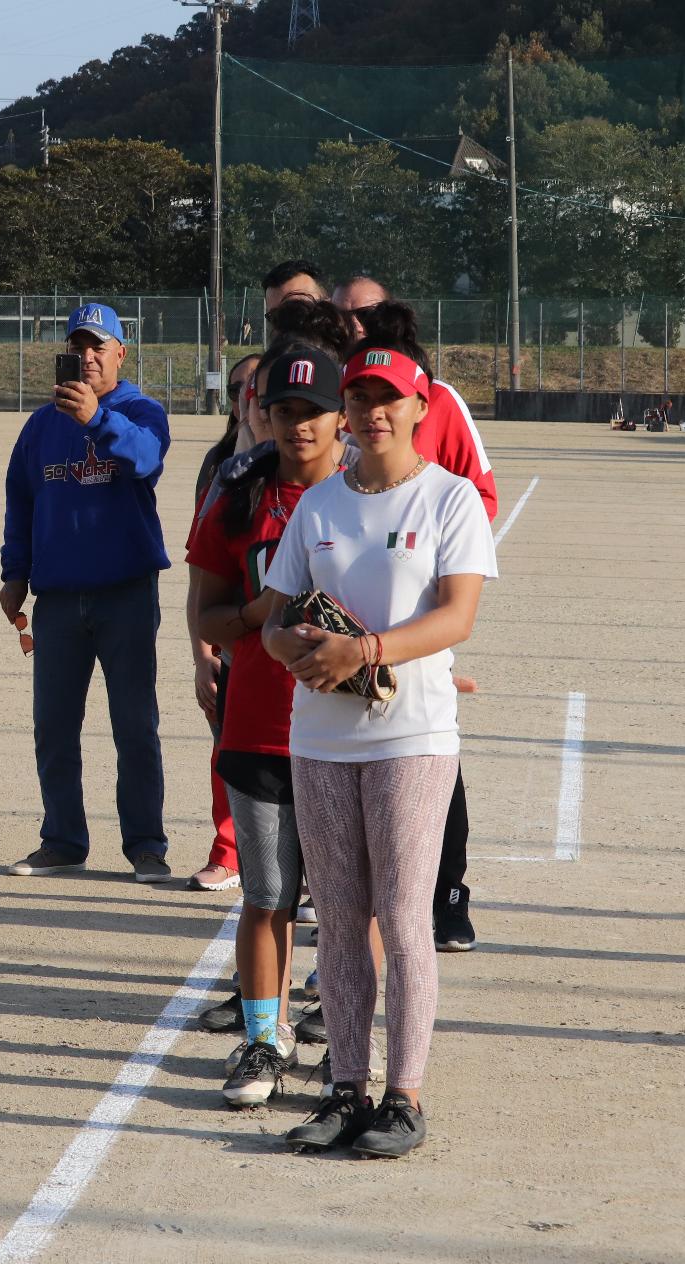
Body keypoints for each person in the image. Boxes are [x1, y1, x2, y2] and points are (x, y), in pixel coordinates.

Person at [262, 334, 499, 1158]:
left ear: (420, 408)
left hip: (413, 736)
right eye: (360, 399)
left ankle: (404, 1096)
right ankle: (344, 1088)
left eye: (389, 398)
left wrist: (360, 653)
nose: (373, 412)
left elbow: (456, 617)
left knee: (402, 916)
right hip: (320, 737)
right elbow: (273, 617)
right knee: (336, 916)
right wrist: (298, 649)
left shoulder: (448, 500)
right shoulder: (319, 504)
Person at [189, 341, 348, 1106]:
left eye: (312, 411)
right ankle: (261, 1040)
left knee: (357, 900)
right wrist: (258, 615)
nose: (297, 426)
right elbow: (206, 612)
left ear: (340, 416)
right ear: (261, 413)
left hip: (351, 732)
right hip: (258, 727)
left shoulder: (369, 492)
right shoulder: (240, 494)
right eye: (282, 410)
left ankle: (351, 1042)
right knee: (268, 893)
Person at [335, 278, 497, 951]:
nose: (353, 323)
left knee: (431, 749)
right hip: (344, 604)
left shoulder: (441, 401)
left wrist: (440, 566)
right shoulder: (333, 398)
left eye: (365, 313)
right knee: (349, 747)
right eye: (344, 314)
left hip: (419, 607)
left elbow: (480, 494)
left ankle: (449, 896)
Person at [1, 302, 172, 883]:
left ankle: (146, 845)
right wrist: (13, 572)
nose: (89, 356)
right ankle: (63, 839)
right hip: (57, 600)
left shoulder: (141, 410)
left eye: (99, 346)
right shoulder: (41, 424)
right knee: (53, 726)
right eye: (79, 346)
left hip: (125, 593)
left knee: (134, 726)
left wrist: (99, 418)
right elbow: (20, 500)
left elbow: (146, 460)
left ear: (122, 352)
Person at [184, 353, 268, 894]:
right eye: (238, 388)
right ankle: (228, 849)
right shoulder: (219, 466)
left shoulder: (308, 464)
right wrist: (201, 653)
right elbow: (202, 569)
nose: (246, 398)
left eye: (256, 389)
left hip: (287, 643)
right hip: (233, 637)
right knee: (226, 747)